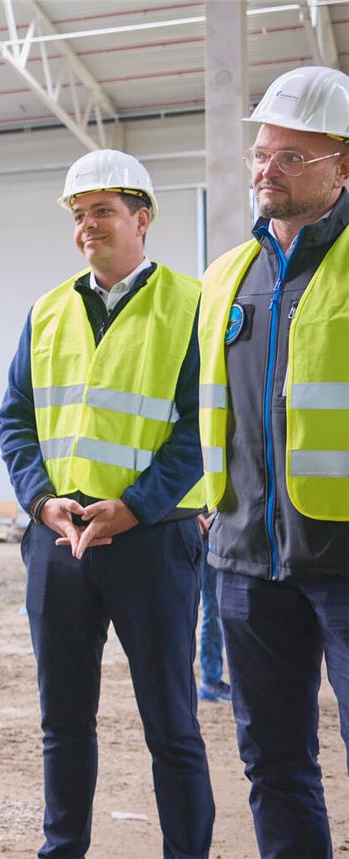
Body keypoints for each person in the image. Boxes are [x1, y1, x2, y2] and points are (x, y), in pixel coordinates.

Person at [0, 149, 214, 858]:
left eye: (104, 211)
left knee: (171, 723)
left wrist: (139, 505)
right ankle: (62, 850)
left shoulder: (194, 306)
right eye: (80, 213)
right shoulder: (47, 310)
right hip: (60, 541)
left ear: (141, 218)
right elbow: (16, 418)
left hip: (152, 539)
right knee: (62, 723)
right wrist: (39, 501)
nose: (89, 225)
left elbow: (204, 422)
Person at [198, 65, 349, 859]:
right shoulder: (227, 274)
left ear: (343, 168)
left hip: (345, 558)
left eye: (293, 156)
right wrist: (209, 502)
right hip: (247, 560)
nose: (268, 169)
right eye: (263, 153)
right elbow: (210, 405)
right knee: (275, 763)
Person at [196, 511, 230, 702]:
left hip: (215, 529)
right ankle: (210, 681)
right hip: (207, 532)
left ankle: (211, 680)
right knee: (214, 610)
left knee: (214, 610)